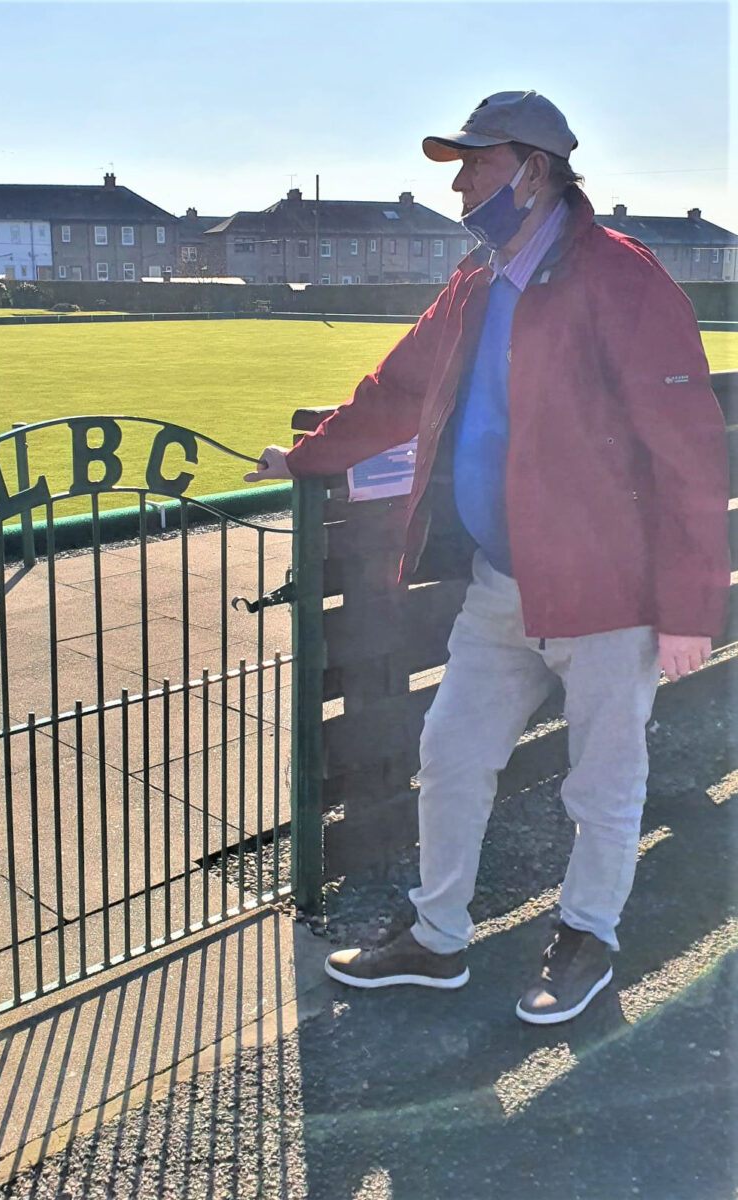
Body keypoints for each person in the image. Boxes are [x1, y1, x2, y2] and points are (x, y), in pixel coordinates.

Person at [244, 90, 729, 1025]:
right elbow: (395, 390)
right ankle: (437, 939)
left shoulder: (623, 277)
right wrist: (305, 458)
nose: (460, 183)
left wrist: (687, 609)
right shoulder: (477, 279)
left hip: (609, 597)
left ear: (533, 171)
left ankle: (586, 936)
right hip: (501, 587)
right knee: (451, 753)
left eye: (476, 163)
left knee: (602, 781)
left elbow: (688, 451)